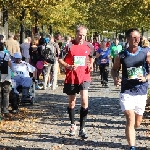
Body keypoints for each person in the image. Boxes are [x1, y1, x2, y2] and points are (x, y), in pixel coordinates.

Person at [111, 28, 150, 150]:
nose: (137, 39)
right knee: (130, 118)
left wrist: (146, 78)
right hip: (127, 91)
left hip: (141, 91)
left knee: (137, 123)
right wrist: (116, 78)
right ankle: (132, 147)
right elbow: (114, 70)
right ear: (127, 39)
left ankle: (133, 129)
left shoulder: (145, 53)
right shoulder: (121, 55)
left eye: (138, 37)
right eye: (133, 37)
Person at [58, 25, 94, 139]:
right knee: (72, 102)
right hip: (72, 77)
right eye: (80, 35)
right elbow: (59, 59)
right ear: (76, 34)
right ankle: (73, 125)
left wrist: (91, 64)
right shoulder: (68, 45)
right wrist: (68, 66)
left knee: (84, 101)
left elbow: (91, 56)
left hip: (84, 76)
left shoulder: (89, 45)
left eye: (84, 35)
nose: (81, 37)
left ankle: (82, 128)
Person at [0, 42, 14, 119]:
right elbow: (10, 65)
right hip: (6, 76)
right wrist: (14, 72)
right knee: (6, 94)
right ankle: (5, 110)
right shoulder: (6, 55)